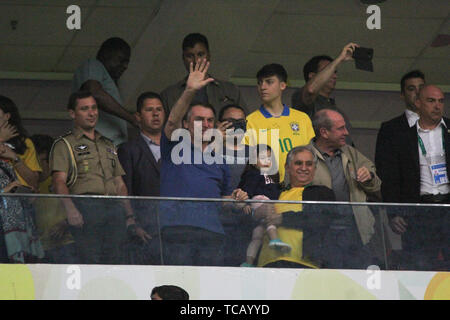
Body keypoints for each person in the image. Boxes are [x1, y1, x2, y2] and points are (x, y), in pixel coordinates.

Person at [160, 58, 248, 266]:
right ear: (186, 124)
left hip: (212, 234)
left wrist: (237, 198)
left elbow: (224, 201)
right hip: (178, 230)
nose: (206, 124)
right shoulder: (174, 146)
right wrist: (189, 90)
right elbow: (171, 121)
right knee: (177, 289)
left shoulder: (219, 158)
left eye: (210, 120)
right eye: (199, 120)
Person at [50, 90, 147, 264]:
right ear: (72, 113)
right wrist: (70, 209)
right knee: (90, 261)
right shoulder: (64, 144)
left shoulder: (108, 143)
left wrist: (129, 216)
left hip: (114, 208)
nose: (91, 113)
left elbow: (119, 183)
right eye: (84, 109)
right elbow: (59, 182)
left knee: (116, 262)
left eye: (94, 108)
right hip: (87, 207)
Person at [381, 85, 449, 271]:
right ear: (417, 103)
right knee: (418, 268)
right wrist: (393, 213)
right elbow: (391, 176)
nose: (437, 106)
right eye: (431, 101)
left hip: (448, 207)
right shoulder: (403, 136)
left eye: (441, 101)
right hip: (418, 210)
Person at [308, 109, 381, 269]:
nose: (346, 132)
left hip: (355, 233)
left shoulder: (351, 152)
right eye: (340, 128)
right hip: (321, 235)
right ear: (324, 132)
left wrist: (368, 177)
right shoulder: (304, 156)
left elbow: (377, 186)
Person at [256, 146, 336, 268]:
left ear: (314, 169)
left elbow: (319, 218)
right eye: (298, 163)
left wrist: (282, 218)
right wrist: (255, 211)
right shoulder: (273, 192)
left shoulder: (322, 193)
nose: (304, 168)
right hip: (267, 264)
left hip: (305, 264)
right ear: (287, 167)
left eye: (309, 164)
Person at [244, 63, 315, 182]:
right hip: (267, 189)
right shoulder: (250, 121)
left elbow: (312, 156)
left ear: (282, 85)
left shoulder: (302, 118)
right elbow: (250, 163)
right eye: (260, 82)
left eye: (269, 82)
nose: (263, 87)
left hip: (300, 188)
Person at [118, 91, 166, 265]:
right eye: (149, 110)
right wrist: (132, 222)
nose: (155, 114)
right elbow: (125, 188)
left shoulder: (177, 149)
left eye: (159, 109)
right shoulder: (127, 149)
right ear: (138, 116)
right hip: (145, 229)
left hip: (174, 228)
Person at [160, 33, 247, 115]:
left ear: (208, 56)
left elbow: (245, 124)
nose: (196, 61)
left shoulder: (230, 90)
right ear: (183, 58)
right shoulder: (169, 95)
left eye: (200, 55)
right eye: (190, 56)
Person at [291, 43, 359, 146]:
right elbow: (311, 89)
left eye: (335, 72)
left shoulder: (337, 109)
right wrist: (339, 59)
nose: (334, 76)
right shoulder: (301, 98)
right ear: (312, 76)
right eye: (329, 70)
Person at [72, 37, 137, 146]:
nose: (125, 66)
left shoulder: (109, 80)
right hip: (96, 148)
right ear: (106, 54)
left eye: (127, 62)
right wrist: (132, 119)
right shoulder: (93, 65)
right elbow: (94, 92)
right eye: (121, 60)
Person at [238, 144, 291, 267]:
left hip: (267, 202)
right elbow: (246, 189)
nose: (266, 162)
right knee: (270, 216)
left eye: (269, 158)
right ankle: (274, 239)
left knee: (257, 236)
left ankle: (248, 262)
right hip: (258, 201)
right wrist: (247, 202)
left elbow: (276, 191)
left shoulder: (272, 176)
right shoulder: (254, 173)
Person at [31, 134, 78, 264]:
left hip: (65, 245)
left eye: (35, 159)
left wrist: (65, 224)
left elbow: (82, 207)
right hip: (40, 248)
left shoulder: (62, 184)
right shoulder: (31, 186)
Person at [216, 104, 253, 266]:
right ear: (219, 124)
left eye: (241, 122)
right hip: (217, 223)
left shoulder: (256, 153)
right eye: (230, 122)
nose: (236, 126)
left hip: (245, 224)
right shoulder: (207, 150)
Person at [375, 70, 425, 183]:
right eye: (411, 89)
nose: (418, 92)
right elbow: (385, 171)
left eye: (421, 88)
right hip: (407, 197)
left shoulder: (444, 125)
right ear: (402, 94)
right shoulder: (390, 130)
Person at [0, 155, 44, 263]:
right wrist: (4, 190)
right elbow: (7, 189)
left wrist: (25, 193)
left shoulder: (5, 164)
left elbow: (18, 186)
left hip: (18, 221)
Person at [0, 95, 42, 191]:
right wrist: (1, 139)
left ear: (7, 116)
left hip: (19, 202)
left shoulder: (24, 143)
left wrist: (15, 158)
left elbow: (34, 183)